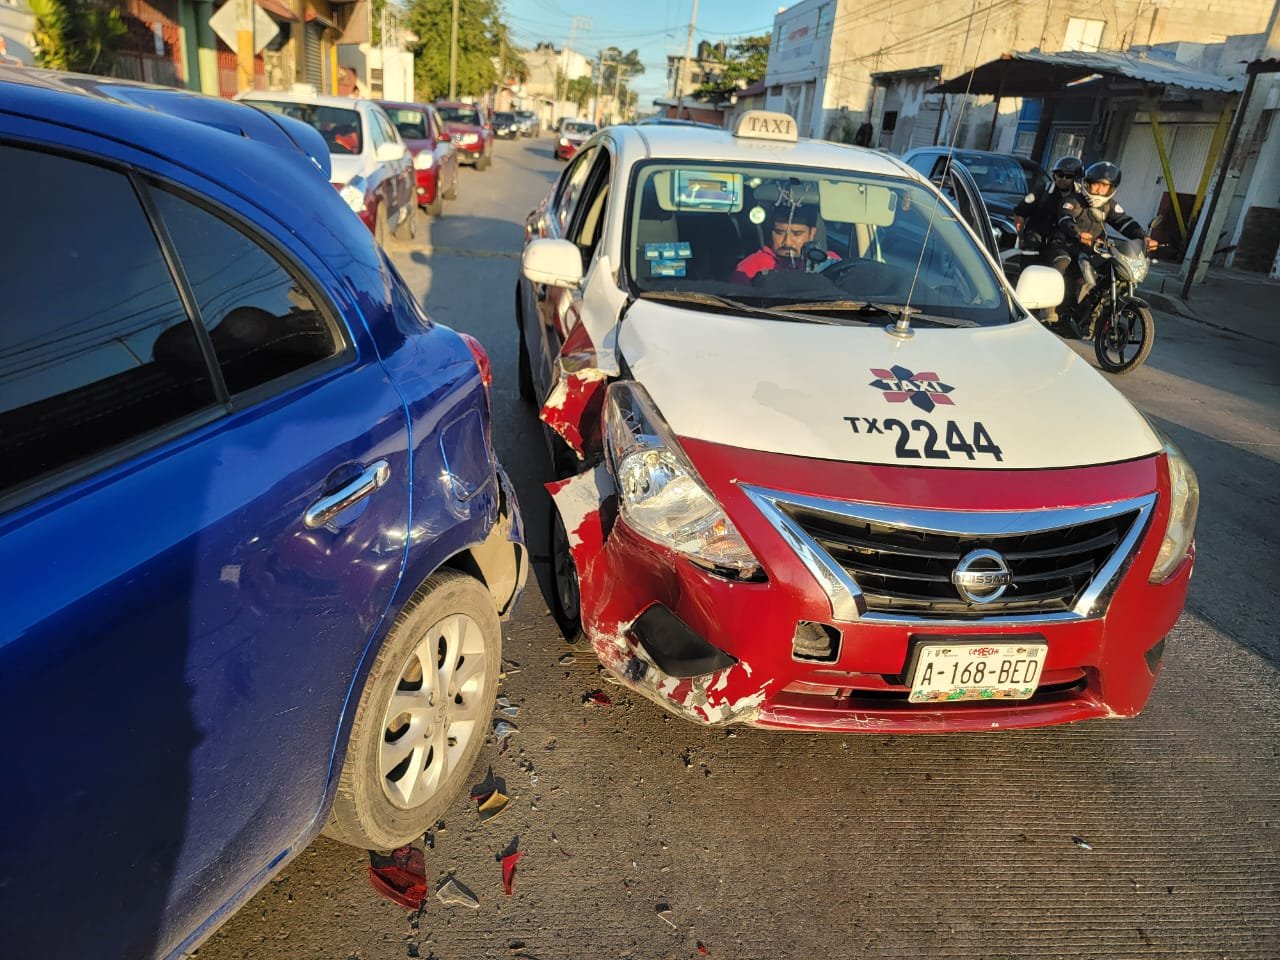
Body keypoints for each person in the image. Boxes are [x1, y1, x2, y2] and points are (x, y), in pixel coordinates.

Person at [733, 198, 839, 283]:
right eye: (779, 232)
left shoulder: (830, 263)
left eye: (797, 234)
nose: (787, 242)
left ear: (812, 233)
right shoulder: (750, 268)